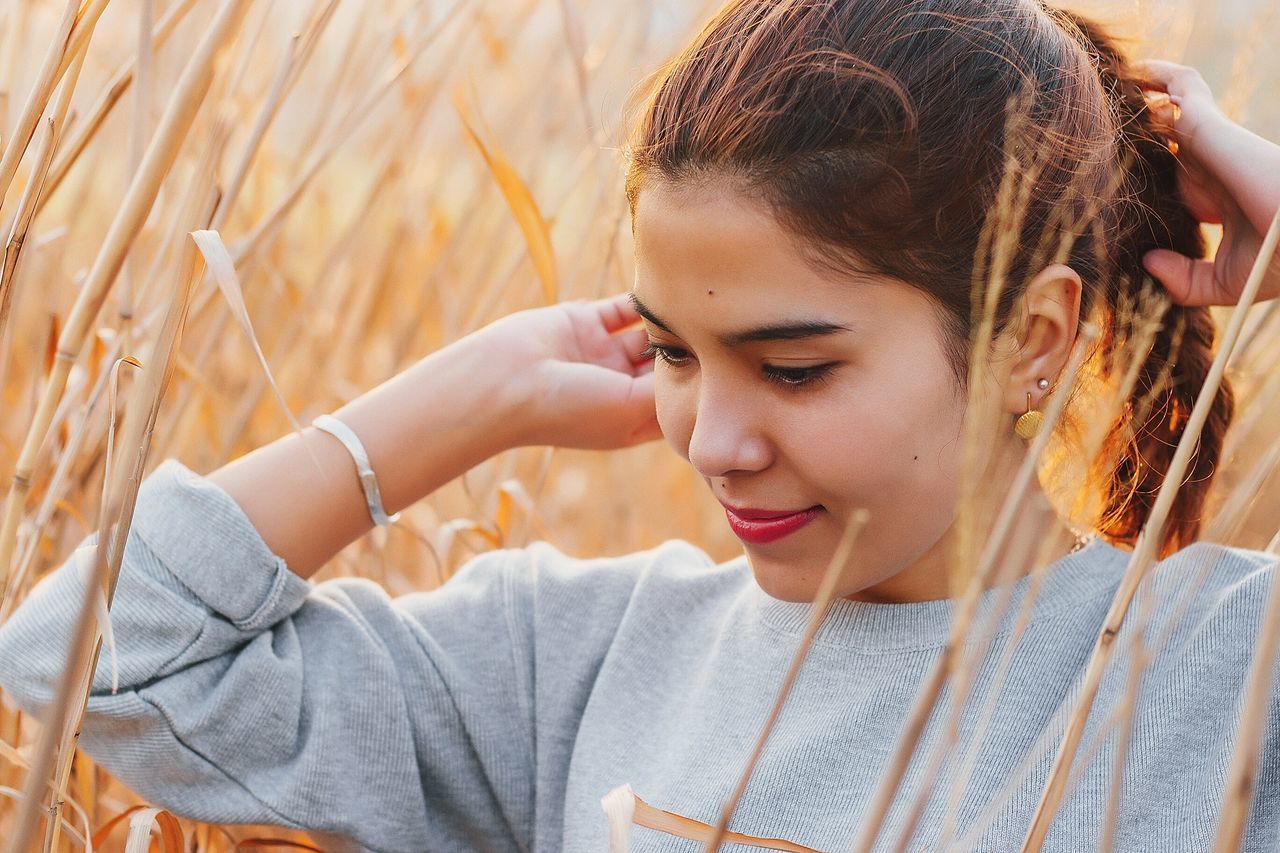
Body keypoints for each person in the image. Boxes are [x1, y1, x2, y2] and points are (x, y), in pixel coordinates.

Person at [2, 1, 1279, 850]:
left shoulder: (1226, 672)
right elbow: (95, 661)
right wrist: (472, 393)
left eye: (789, 368)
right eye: (672, 349)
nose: (709, 440)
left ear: (1031, 340)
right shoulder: (576, 658)